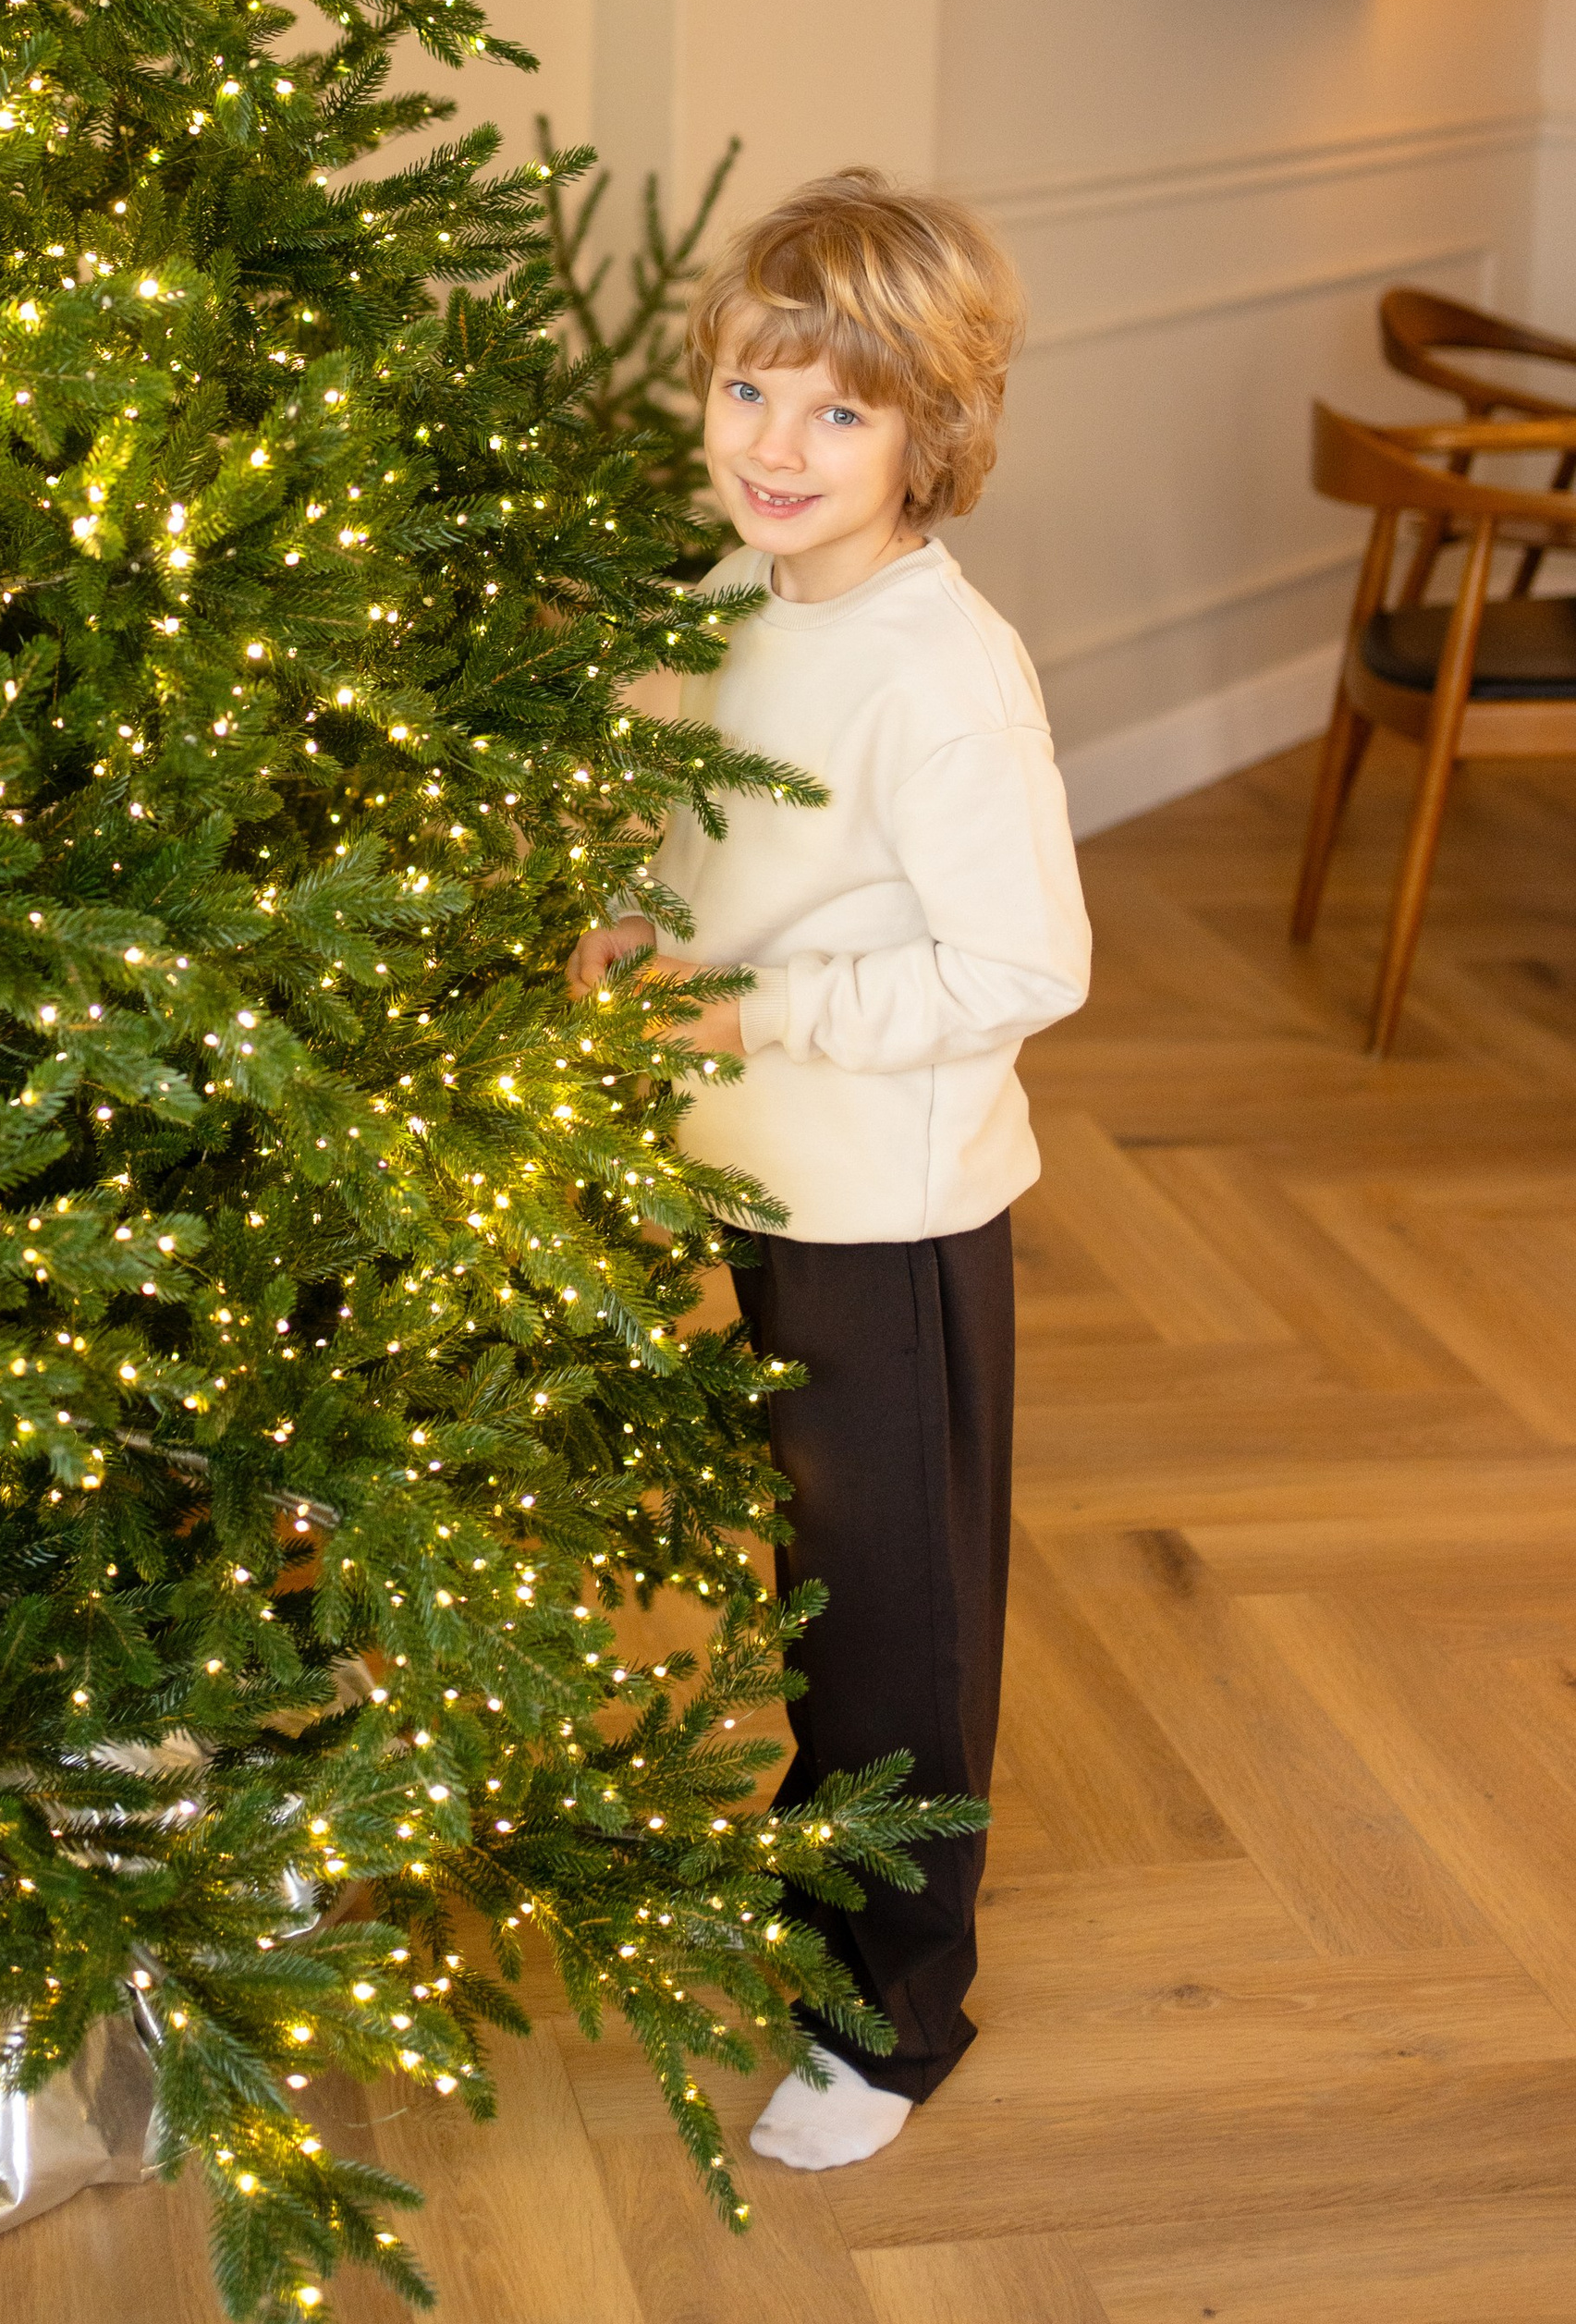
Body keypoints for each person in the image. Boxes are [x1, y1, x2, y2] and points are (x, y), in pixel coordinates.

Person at [567, 167, 1089, 2168]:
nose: (775, 448)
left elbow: (1017, 960)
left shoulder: (938, 674)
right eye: (746, 393)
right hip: (757, 1170)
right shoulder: (737, 600)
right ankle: (820, 1889)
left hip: (887, 1204)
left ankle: (896, 2014)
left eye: (837, 411)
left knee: (896, 1614)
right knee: (812, 1580)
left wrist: (750, 1013)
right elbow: (721, 843)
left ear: (928, 435)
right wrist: (640, 924)